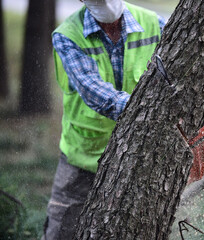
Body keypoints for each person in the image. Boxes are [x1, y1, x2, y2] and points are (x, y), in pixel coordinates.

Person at [42, 0, 166, 239]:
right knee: (62, 231)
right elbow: (94, 92)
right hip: (84, 159)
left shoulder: (154, 24)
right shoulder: (68, 35)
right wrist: (151, 111)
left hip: (139, 155)